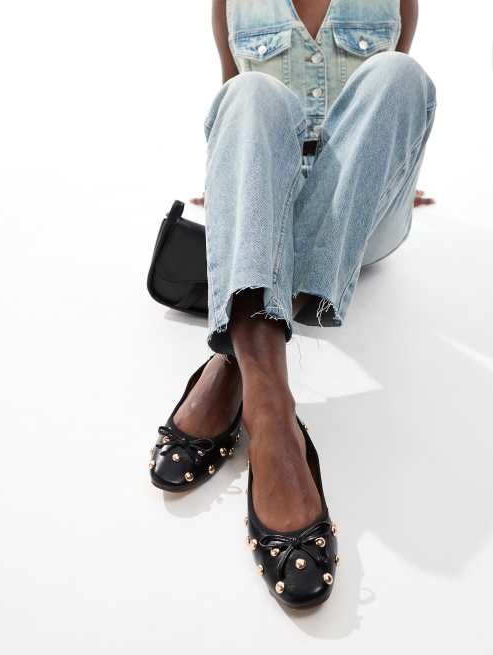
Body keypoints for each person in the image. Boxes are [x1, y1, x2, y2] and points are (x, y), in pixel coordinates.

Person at [150, 0, 437, 608]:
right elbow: (234, 110)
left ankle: (240, 350)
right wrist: (234, 186)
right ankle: (270, 406)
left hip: (361, 217)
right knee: (250, 91)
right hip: (268, 204)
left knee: (399, 75)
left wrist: (390, 175)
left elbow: (388, 112)